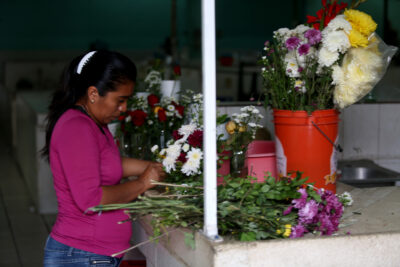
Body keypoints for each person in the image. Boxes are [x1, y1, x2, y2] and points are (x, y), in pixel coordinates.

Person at [41, 50, 165, 267]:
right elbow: (91, 200)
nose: (124, 108)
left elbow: (110, 165)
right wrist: (143, 183)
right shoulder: (76, 127)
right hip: (81, 255)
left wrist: (153, 167)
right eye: (120, 100)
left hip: (91, 254)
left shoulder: (93, 123)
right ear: (93, 93)